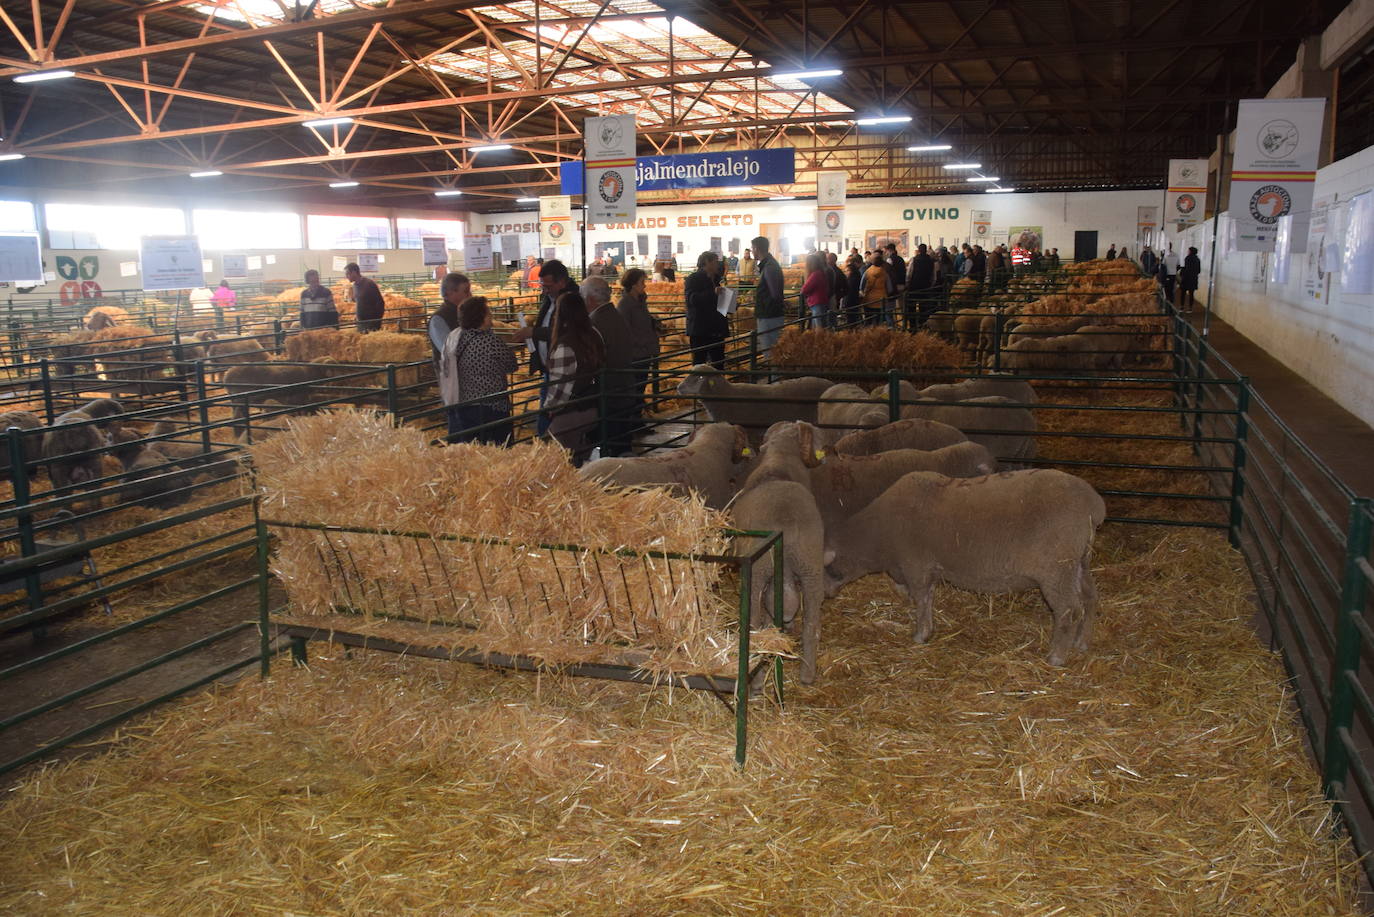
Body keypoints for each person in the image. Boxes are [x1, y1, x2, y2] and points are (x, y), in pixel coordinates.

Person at [437, 296, 517, 444]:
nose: (491, 317)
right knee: (495, 449)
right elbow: (512, 365)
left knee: (470, 447)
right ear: (480, 317)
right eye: (488, 313)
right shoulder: (490, 341)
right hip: (491, 406)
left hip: (463, 405)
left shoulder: (455, 338)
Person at [511, 259, 574, 435]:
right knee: (547, 410)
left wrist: (533, 332)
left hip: (563, 369)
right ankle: (546, 442)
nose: (544, 289)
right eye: (543, 285)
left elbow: (563, 331)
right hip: (549, 367)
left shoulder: (571, 302)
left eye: (548, 285)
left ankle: (550, 443)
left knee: (556, 413)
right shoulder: (549, 299)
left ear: (561, 282)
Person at [542, 291, 605, 466]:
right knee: (576, 452)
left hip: (574, 411)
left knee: (549, 452)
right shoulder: (594, 334)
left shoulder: (565, 345)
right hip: (594, 404)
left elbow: (561, 386)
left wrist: (549, 409)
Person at [583, 274, 637, 457]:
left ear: (589, 298)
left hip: (608, 394)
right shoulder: (617, 316)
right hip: (625, 389)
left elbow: (593, 361)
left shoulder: (595, 323)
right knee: (622, 442)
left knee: (608, 447)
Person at [617, 267, 661, 427]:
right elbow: (624, 330)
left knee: (640, 388)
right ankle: (633, 423)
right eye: (643, 282)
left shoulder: (640, 302)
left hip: (644, 351)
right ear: (634, 284)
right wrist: (641, 341)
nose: (645, 285)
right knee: (635, 389)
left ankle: (636, 421)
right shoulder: (625, 304)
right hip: (635, 354)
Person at [685, 251, 728, 369]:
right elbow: (691, 299)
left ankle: (717, 387)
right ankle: (699, 387)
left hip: (717, 327)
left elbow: (719, 301)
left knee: (718, 361)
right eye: (714, 262)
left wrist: (730, 303)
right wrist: (712, 293)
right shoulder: (693, 279)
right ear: (706, 262)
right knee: (699, 363)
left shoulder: (718, 279)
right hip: (701, 328)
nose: (717, 265)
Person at [751, 236, 786, 355]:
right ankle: (774, 373)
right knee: (771, 348)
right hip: (770, 313)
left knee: (770, 350)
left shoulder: (769, 267)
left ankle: (774, 374)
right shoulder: (769, 265)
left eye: (752, 248)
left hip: (769, 314)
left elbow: (775, 294)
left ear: (756, 248)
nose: (751, 251)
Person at [427, 272, 471, 366]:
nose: (470, 295)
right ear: (450, 293)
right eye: (466, 291)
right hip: (451, 375)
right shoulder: (438, 319)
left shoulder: (466, 312)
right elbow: (448, 350)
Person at [344, 262, 385, 332]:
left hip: (371, 323)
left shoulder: (369, 284)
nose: (346, 276)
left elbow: (380, 303)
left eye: (348, 274)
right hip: (361, 323)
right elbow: (359, 302)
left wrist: (376, 321)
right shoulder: (354, 286)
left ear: (354, 272)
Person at [858, 249, 892, 325]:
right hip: (881, 300)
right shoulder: (885, 273)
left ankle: (869, 334)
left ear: (872, 261)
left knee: (868, 320)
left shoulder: (867, 272)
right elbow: (890, 289)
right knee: (879, 321)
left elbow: (861, 287)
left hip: (869, 300)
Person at [906, 243, 935, 329]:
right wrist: (931, 284)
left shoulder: (914, 259)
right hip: (926, 286)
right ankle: (923, 325)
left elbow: (909, 273)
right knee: (924, 307)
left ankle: (912, 326)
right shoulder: (931, 260)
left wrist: (907, 284)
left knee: (912, 307)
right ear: (926, 250)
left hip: (914, 286)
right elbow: (933, 276)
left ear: (918, 250)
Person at [800, 252, 830, 329]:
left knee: (818, 326)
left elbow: (804, 289)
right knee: (821, 324)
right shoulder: (821, 272)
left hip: (816, 302)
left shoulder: (815, 274)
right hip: (822, 301)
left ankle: (818, 340)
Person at [883, 243, 906, 325]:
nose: (885, 252)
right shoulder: (901, 259)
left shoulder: (890, 260)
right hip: (902, 284)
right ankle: (904, 323)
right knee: (902, 306)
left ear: (889, 250)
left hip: (894, 285)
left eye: (886, 250)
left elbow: (888, 273)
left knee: (890, 307)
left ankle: (892, 325)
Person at [824, 252, 848, 329]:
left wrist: (837, 296)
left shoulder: (835, 272)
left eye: (827, 258)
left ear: (832, 260)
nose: (826, 260)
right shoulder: (836, 271)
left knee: (830, 317)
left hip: (831, 298)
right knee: (830, 317)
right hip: (831, 297)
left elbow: (846, 287)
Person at [843, 254, 864, 327]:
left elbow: (850, 287)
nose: (846, 272)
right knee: (853, 317)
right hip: (854, 298)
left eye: (847, 271)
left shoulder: (853, 273)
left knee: (850, 318)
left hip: (850, 298)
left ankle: (851, 330)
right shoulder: (856, 272)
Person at [1179, 246, 1202, 313]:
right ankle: (1190, 308)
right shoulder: (1197, 259)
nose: (1187, 252)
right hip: (1193, 279)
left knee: (1183, 293)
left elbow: (1185, 269)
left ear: (1190, 251)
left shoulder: (1187, 258)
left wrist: (1181, 275)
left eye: (1188, 251)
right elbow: (1199, 270)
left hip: (1186, 279)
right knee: (1191, 293)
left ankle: (1182, 307)